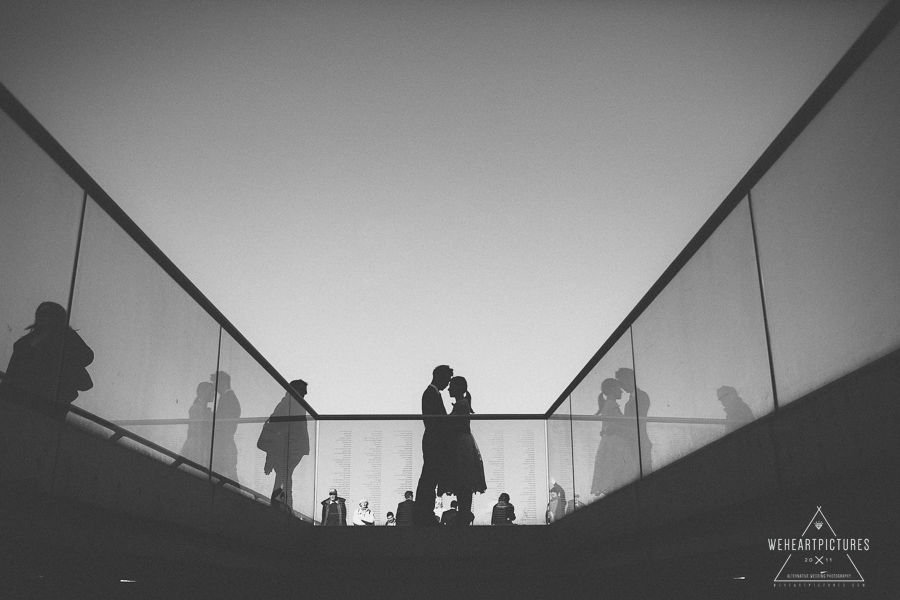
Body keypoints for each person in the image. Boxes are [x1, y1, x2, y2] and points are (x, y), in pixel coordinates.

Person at [0, 301, 94, 417]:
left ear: (56, 317)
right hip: (20, 397)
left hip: (49, 401)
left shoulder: (66, 336)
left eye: (47, 313)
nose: (42, 316)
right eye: (40, 313)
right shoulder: (25, 341)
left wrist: (60, 358)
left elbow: (87, 356)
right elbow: (13, 369)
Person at [257, 379, 310, 510]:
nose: (304, 394)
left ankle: (281, 506)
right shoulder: (294, 404)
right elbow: (276, 430)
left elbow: (274, 430)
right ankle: (284, 506)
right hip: (291, 446)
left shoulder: (288, 403)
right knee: (284, 476)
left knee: (283, 476)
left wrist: (269, 458)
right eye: (303, 391)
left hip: (287, 446)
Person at [440, 375, 487, 525]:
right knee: (463, 480)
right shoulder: (462, 403)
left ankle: (464, 513)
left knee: (463, 480)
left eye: (451, 385)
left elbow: (458, 425)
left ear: (458, 388)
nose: (448, 388)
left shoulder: (461, 404)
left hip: (461, 445)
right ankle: (464, 513)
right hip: (462, 444)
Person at [414, 365, 453, 526]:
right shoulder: (430, 394)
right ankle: (423, 513)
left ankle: (423, 512)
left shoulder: (432, 393)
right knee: (429, 477)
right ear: (440, 377)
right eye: (447, 379)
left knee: (430, 477)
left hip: (433, 441)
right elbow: (435, 421)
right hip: (434, 441)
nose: (448, 383)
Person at [591, 378, 636, 498]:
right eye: (618, 388)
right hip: (615, 443)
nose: (621, 391)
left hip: (610, 442)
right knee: (620, 472)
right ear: (612, 389)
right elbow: (618, 425)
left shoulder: (608, 405)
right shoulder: (611, 405)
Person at [616, 367, 652, 476]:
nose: (621, 386)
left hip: (640, 441)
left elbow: (636, 421)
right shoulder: (628, 402)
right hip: (632, 442)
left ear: (630, 379)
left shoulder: (642, 396)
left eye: (622, 381)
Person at [211, 371, 241, 484]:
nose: (214, 387)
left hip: (224, 445)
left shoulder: (228, 398)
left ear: (222, 382)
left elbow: (223, 426)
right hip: (226, 444)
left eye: (215, 383)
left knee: (228, 477)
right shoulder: (228, 397)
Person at [180, 381, 215, 467]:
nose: (213, 394)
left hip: (202, 444)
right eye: (210, 391)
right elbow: (197, 428)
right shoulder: (196, 408)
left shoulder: (206, 410)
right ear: (202, 392)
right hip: (196, 444)